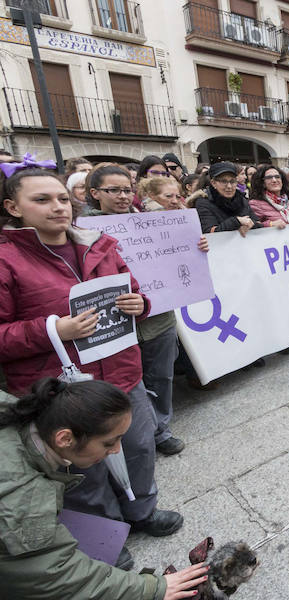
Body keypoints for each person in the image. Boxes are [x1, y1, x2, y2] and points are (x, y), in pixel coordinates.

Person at [0, 166, 184, 570]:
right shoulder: (5, 260)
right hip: (60, 391)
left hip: (120, 374)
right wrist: (53, 330)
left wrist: (141, 304)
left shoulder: (99, 244)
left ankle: (143, 512)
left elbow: (131, 289)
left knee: (138, 447)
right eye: (42, 200)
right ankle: (106, 545)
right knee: (83, 473)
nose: (57, 208)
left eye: (62, 198)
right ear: (13, 207)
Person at [0, 379, 210, 599]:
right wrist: (152, 589)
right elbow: (55, 575)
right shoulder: (23, 498)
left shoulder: (18, 419)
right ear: (65, 438)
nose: (117, 450)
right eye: (109, 443)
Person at [89, 167, 204, 457]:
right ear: (95, 194)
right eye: (113, 190)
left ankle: (160, 430)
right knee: (127, 383)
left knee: (161, 378)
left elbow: (181, 255)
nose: (122, 196)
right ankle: (131, 435)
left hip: (158, 317)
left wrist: (198, 245)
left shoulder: (153, 223)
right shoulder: (82, 231)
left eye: (126, 189)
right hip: (114, 324)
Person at [194, 161, 260, 236]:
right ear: (213, 183)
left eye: (232, 181)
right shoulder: (203, 202)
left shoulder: (242, 199)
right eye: (223, 181)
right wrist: (236, 221)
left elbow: (257, 222)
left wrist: (250, 225)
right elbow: (210, 233)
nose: (229, 186)